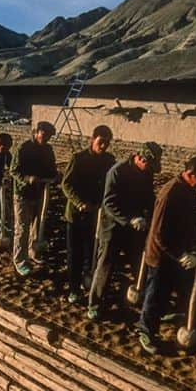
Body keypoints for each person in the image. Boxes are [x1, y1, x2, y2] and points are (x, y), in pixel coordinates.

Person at [136, 155, 196, 354]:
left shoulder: (190, 191)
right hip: (161, 254)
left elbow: (192, 223)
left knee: (184, 291)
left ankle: (192, 325)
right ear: (190, 173)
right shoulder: (170, 193)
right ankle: (146, 331)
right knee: (156, 294)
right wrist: (179, 255)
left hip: (180, 253)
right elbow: (160, 233)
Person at [87, 142, 161, 320]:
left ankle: (141, 298)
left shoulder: (146, 173)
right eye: (148, 165)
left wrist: (149, 216)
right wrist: (129, 219)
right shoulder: (117, 171)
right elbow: (109, 203)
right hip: (113, 226)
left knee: (139, 262)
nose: (149, 169)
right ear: (140, 158)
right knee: (106, 264)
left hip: (135, 227)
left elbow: (148, 197)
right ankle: (94, 304)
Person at [60, 125, 115, 303]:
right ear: (92, 139)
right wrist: (79, 203)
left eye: (107, 143)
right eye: (101, 142)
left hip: (97, 214)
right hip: (76, 214)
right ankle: (74, 289)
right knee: (74, 253)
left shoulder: (109, 161)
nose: (103, 146)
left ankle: (88, 281)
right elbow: (66, 185)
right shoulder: (78, 159)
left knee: (90, 251)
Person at [10, 121, 59, 276]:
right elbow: (13, 170)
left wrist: (55, 176)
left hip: (40, 192)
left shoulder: (48, 150)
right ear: (36, 132)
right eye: (44, 135)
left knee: (37, 227)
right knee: (22, 228)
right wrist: (27, 178)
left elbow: (51, 168)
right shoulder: (24, 148)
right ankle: (20, 260)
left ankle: (33, 253)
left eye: (49, 137)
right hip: (23, 193)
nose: (46, 139)